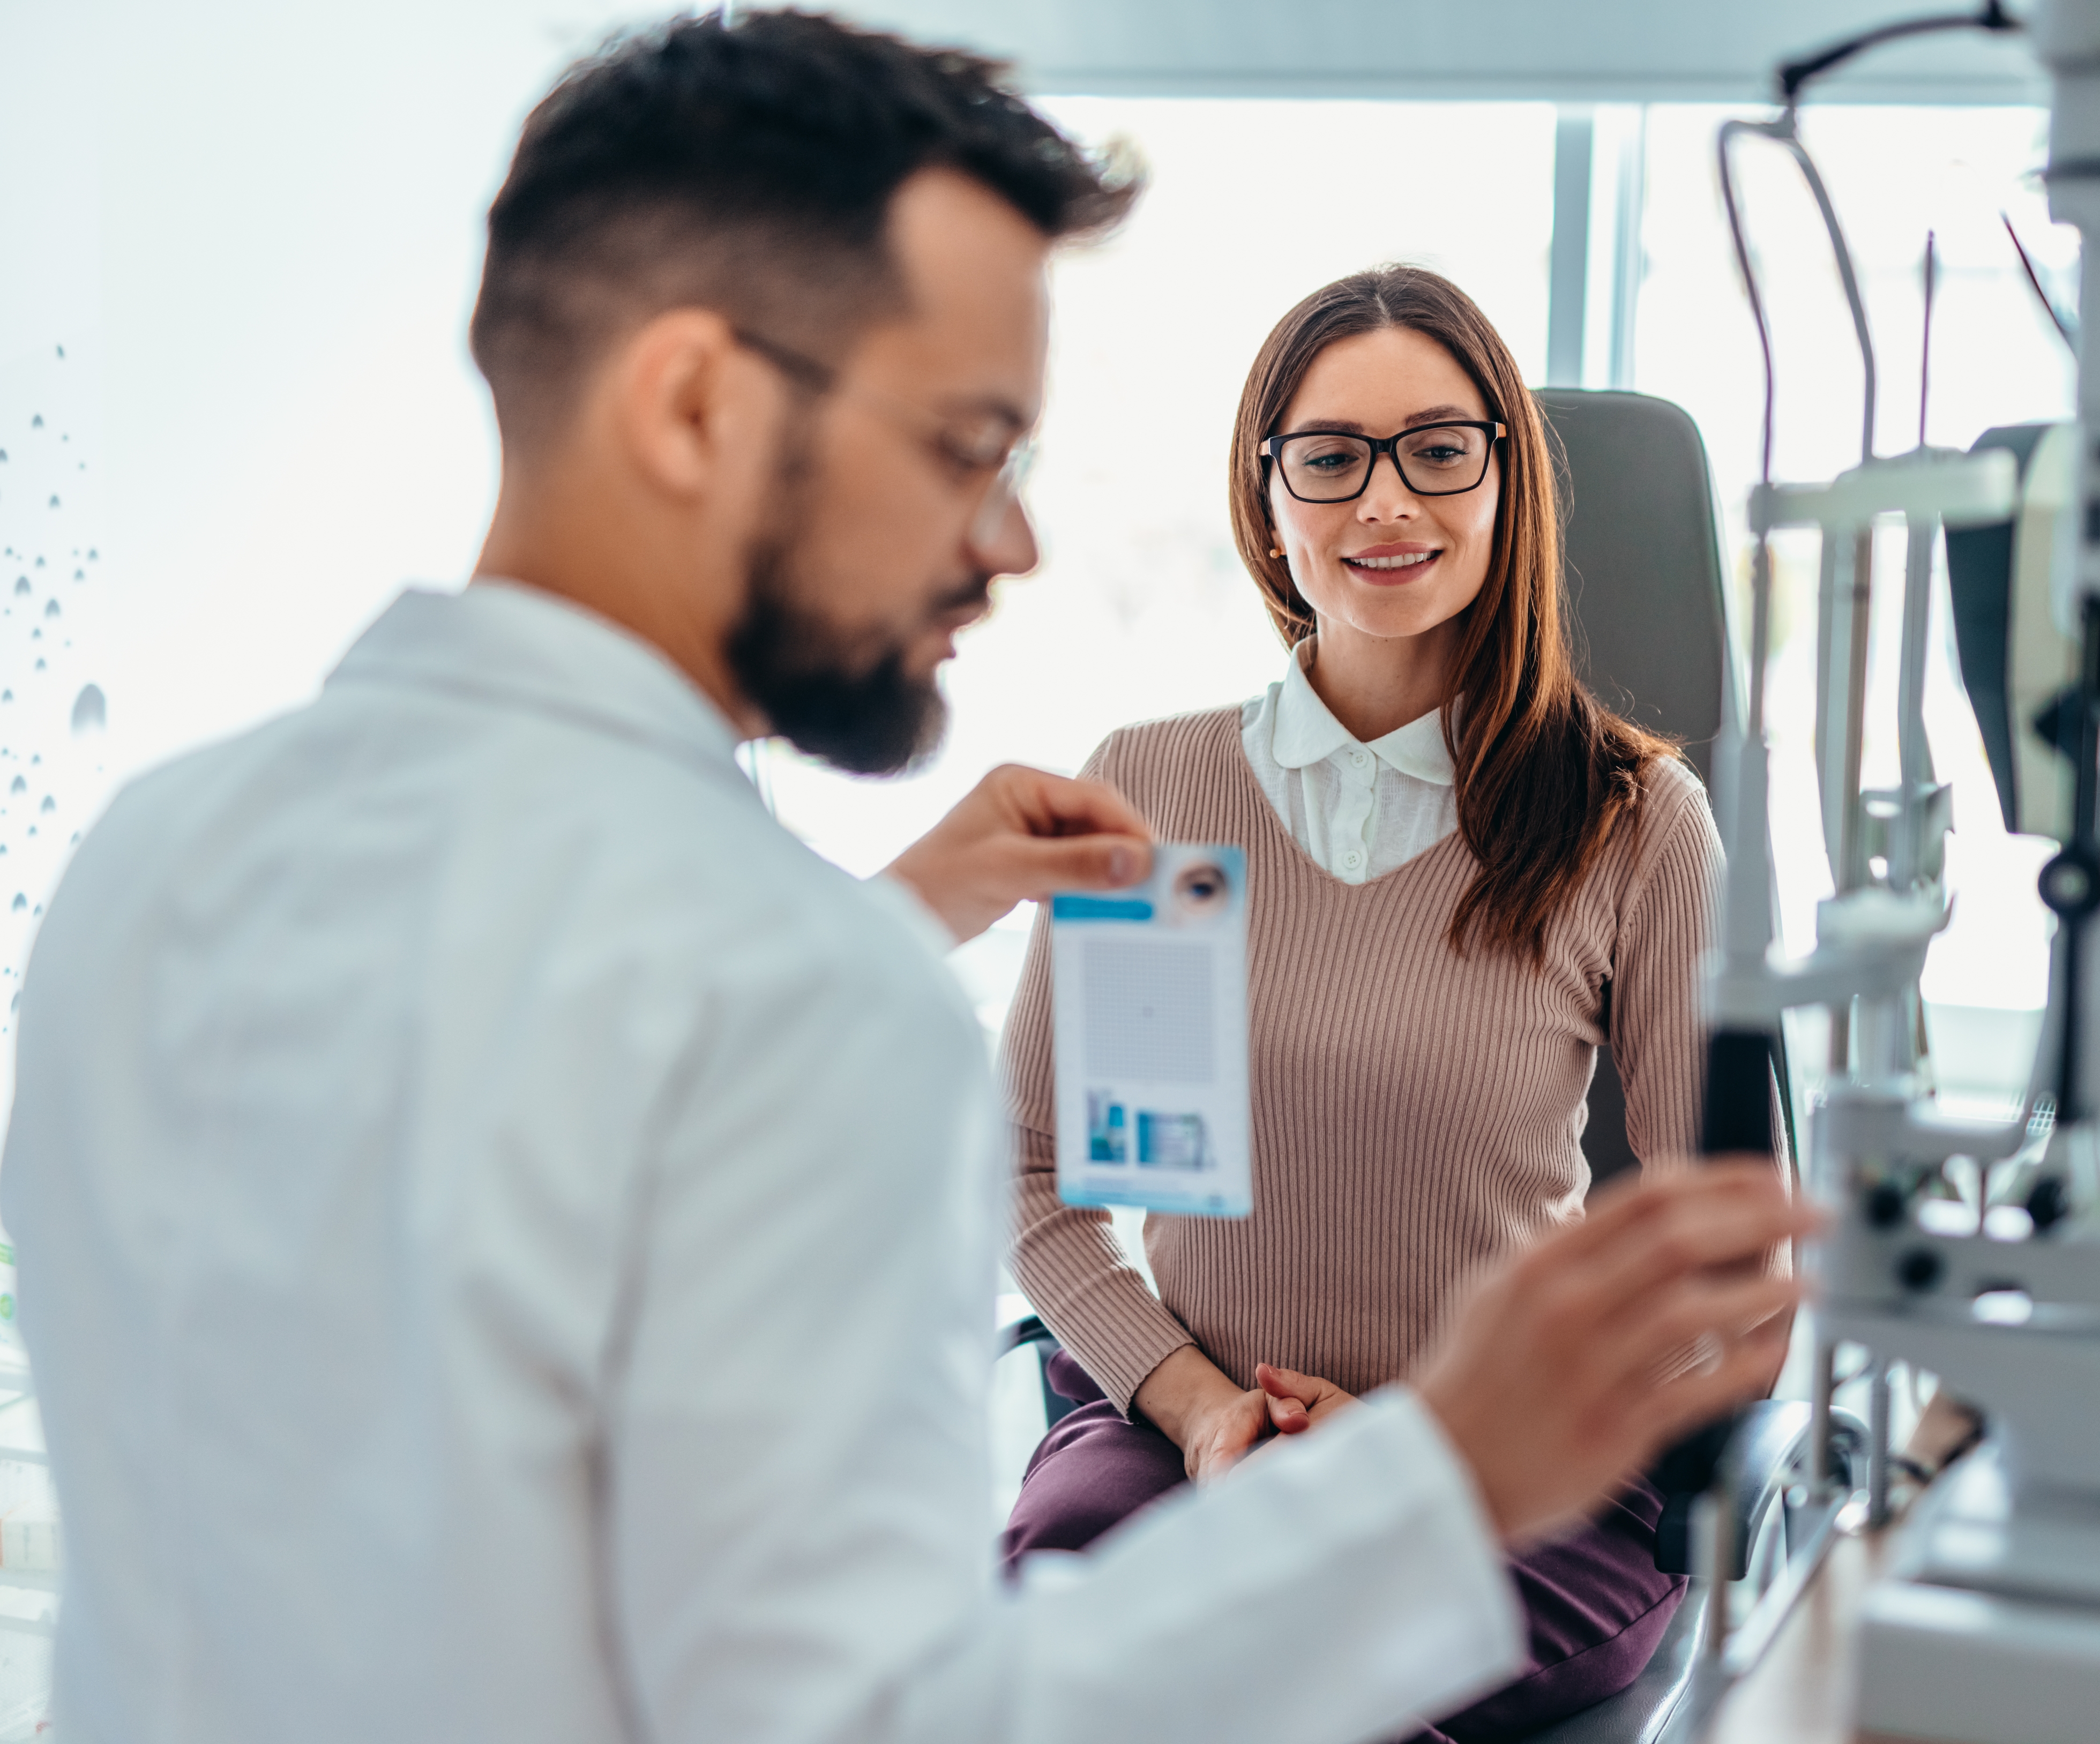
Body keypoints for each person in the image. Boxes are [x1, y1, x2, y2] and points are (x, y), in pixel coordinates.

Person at [0, 16, 1814, 1744]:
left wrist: (881, 918)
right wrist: (1439, 1479)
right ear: (695, 402)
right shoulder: (806, 994)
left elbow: (472, 1229)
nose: (1011, 537)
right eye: (966, 446)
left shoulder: (151, 861)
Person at [1000, 267, 1788, 1741]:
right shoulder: (1153, 790)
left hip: (1512, 1471)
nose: (1383, 504)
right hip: (1193, 1434)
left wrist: (1424, 1456)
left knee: (1313, 1668)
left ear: (1507, 480)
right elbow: (1035, 1179)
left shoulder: (1635, 820)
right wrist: (1200, 1408)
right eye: (1331, 456)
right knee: (1057, 1645)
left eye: (1438, 449)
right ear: (1269, 492)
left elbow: (1724, 1276)